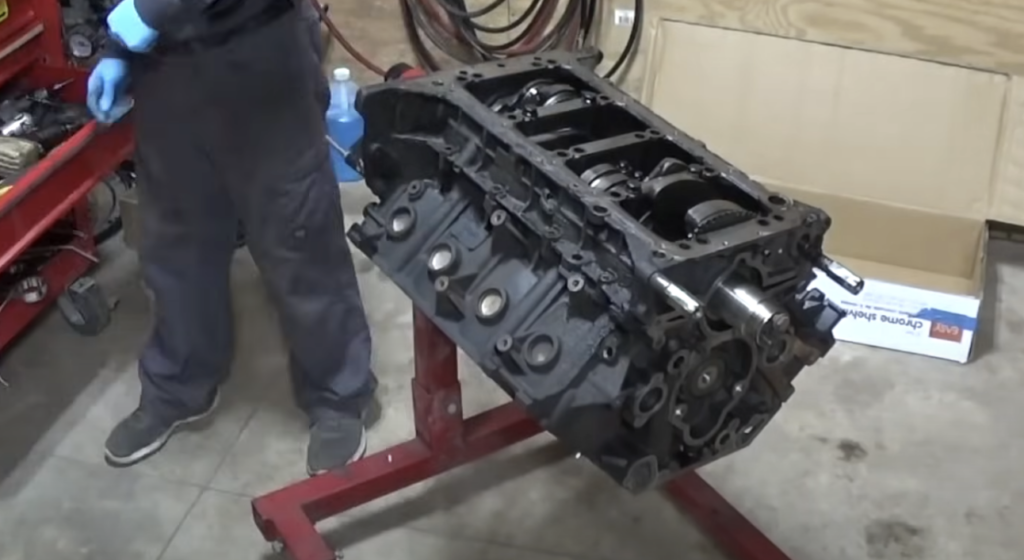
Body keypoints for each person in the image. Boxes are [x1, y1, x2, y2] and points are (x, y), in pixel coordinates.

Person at [86, 0, 377, 475]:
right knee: (176, 240)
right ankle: (179, 384)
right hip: (163, 66)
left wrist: (145, 13)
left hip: (257, 50)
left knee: (296, 234)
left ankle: (338, 394)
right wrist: (113, 46)